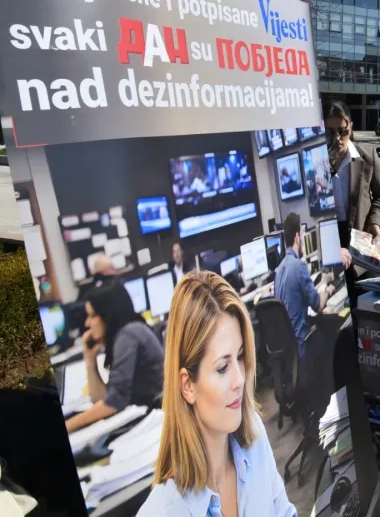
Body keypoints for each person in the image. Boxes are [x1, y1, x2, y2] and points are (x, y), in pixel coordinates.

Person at [139, 272, 295, 517]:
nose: (240, 380)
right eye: (222, 368)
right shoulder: (165, 511)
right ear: (188, 385)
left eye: (240, 357)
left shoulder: (254, 438)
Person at [65, 276, 165, 433]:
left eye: (92, 316)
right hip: (148, 416)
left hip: (155, 422)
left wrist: (68, 426)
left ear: (107, 315)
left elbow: (115, 401)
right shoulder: (125, 334)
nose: (87, 323)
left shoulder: (128, 334)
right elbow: (101, 399)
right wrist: (90, 360)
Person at [325, 100, 380, 299]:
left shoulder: (367, 156)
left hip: (360, 241)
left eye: (343, 131)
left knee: (363, 307)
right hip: (328, 241)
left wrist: (375, 225)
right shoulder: (313, 160)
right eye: (330, 132)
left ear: (351, 127)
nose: (338, 138)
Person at [274, 212, 334, 365]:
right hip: (303, 343)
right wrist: (327, 288)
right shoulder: (299, 266)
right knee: (333, 337)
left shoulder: (279, 270)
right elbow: (318, 305)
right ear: (297, 237)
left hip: (288, 349)